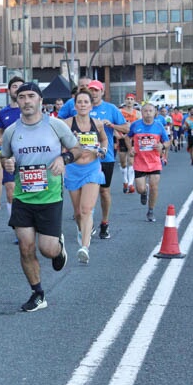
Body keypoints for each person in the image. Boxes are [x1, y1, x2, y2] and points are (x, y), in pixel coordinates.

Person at [0, 82, 83, 312]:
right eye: (22, 97)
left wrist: (63, 160)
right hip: (22, 197)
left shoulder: (55, 125)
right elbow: (4, 158)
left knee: (47, 250)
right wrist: (6, 163)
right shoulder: (11, 131)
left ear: (39, 100)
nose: (26, 101)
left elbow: (77, 150)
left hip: (50, 197)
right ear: (17, 102)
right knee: (26, 248)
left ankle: (58, 246)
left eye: (31, 96)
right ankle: (38, 293)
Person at [57, 79, 128, 240]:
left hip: (105, 157)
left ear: (102, 92)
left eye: (97, 90)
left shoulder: (110, 109)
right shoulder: (74, 107)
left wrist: (112, 126)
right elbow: (59, 123)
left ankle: (104, 222)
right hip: (78, 160)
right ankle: (87, 219)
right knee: (81, 206)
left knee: (104, 191)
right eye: (92, 90)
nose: (94, 92)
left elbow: (126, 128)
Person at [62, 90, 107, 264]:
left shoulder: (98, 124)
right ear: (75, 106)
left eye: (85, 102)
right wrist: (70, 144)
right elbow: (59, 144)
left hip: (92, 168)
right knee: (78, 212)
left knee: (87, 209)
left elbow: (104, 141)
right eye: (79, 102)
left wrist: (101, 150)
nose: (82, 105)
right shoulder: (66, 124)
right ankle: (82, 230)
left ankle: (85, 248)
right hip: (73, 169)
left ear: (91, 105)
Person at [127, 103, 171, 222]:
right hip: (140, 161)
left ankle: (151, 211)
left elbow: (167, 142)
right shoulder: (135, 125)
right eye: (145, 111)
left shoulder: (159, 126)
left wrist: (162, 145)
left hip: (154, 161)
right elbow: (127, 137)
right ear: (141, 112)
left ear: (154, 112)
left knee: (154, 187)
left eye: (150, 111)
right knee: (140, 189)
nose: (148, 113)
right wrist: (130, 148)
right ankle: (144, 192)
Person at [0, 76, 26, 236]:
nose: (18, 89)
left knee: (28, 191)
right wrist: (1, 141)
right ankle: (18, 230)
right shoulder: (4, 112)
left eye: (21, 86)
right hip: (9, 158)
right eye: (15, 86)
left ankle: (30, 225)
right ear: (9, 91)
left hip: (29, 157)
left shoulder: (29, 109)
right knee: (10, 191)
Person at [116, 97, 140, 194]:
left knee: (131, 161)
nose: (129, 101)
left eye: (131, 99)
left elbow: (140, 125)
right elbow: (114, 123)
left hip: (132, 139)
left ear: (134, 101)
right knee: (123, 163)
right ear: (125, 101)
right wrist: (116, 133)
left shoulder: (138, 113)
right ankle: (125, 181)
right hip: (122, 137)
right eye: (128, 99)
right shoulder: (119, 111)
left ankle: (130, 184)